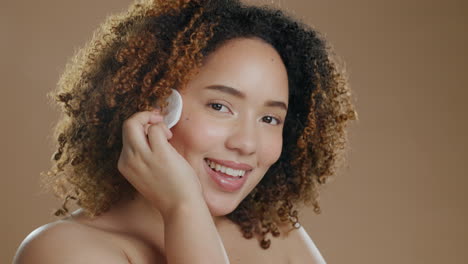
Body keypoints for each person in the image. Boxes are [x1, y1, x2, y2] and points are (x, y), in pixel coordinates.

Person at [13, 0, 357, 263]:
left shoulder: (271, 234)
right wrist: (183, 208)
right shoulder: (63, 251)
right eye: (220, 106)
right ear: (156, 105)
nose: (247, 144)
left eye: (270, 119)